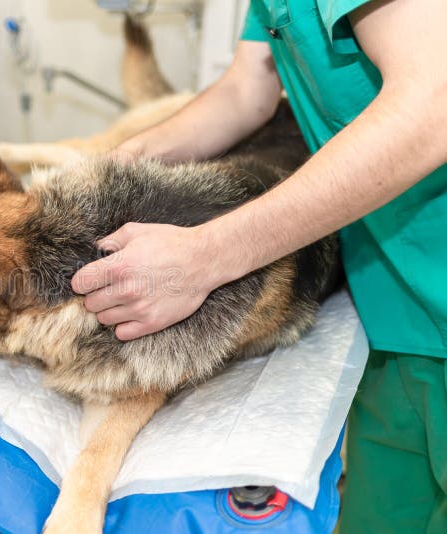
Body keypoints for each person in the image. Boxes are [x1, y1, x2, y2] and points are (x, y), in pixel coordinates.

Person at [70, 1, 447, 532]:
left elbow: (432, 104)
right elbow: (246, 91)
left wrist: (206, 257)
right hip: (394, 315)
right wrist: (126, 163)